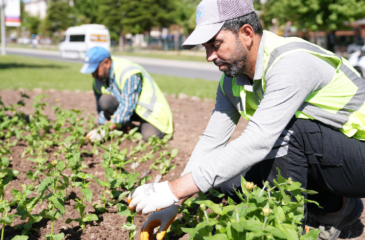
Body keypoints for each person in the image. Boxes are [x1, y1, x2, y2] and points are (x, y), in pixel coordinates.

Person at [127, 0, 365, 240]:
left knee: (286, 131)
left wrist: (173, 190)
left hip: (360, 157)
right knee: (228, 180)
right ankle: (337, 206)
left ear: (247, 33)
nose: (209, 56)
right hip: (334, 158)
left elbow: (259, 140)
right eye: (206, 47)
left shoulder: (292, 63)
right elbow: (212, 141)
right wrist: (174, 201)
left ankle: (290, 231)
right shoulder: (231, 80)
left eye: (216, 44)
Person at [80, 46, 173, 141]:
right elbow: (100, 110)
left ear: (106, 63)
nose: (93, 75)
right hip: (131, 112)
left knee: (149, 136)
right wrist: (103, 123)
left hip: (150, 113)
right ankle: (127, 126)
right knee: (104, 100)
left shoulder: (129, 72)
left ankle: (132, 127)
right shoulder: (97, 80)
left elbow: (127, 105)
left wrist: (107, 128)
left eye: (95, 70)